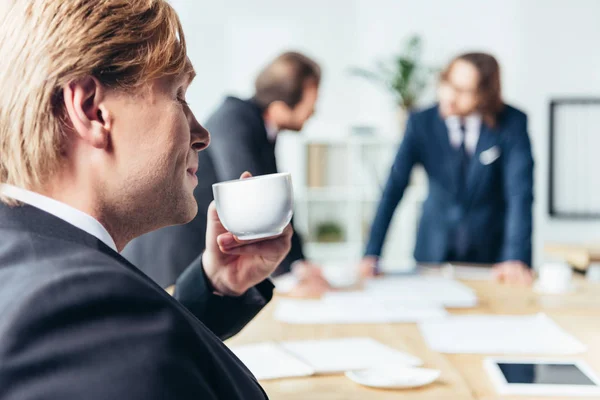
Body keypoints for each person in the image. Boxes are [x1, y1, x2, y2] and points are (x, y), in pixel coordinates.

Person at [0, 1, 292, 398]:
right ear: (92, 110)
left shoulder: (33, 264)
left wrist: (215, 286)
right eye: (178, 95)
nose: (202, 133)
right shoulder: (71, 310)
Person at [124, 51, 330, 296]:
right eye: (312, 99)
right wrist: (288, 278)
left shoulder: (262, 129)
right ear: (282, 103)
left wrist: (300, 265)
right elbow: (255, 202)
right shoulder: (235, 118)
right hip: (174, 253)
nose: (314, 110)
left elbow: (280, 208)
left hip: (197, 254)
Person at [360, 53, 534, 285]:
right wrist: (372, 253)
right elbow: (394, 187)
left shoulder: (512, 123)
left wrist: (515, 257)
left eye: (464, 91)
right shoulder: (420, 123)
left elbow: (519, 195)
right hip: (432, 255)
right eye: (448, 84)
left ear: (485, 95)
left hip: (492, 260)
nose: (450, 97)